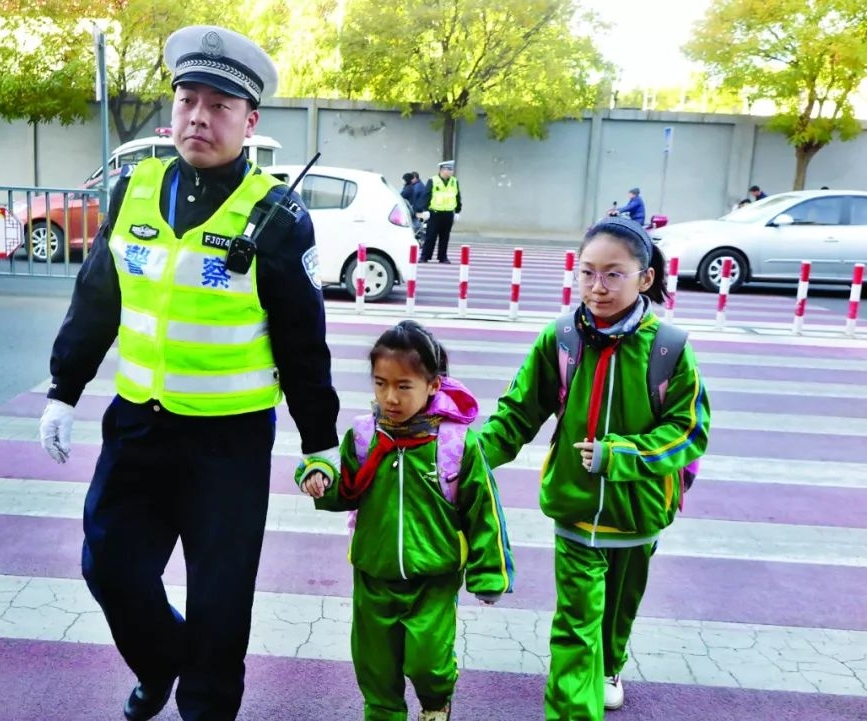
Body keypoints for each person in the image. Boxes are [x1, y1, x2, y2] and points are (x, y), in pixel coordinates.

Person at [37, 24, 341, 721]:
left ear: (249, 119)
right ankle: (160, 658)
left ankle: (204, 706)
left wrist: (318, 440)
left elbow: (304, 342)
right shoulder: (136, 189)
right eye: (187, 100)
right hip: (139, 425)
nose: (198, 117)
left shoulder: (278, 216)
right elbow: (97, 298)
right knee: (108, 566)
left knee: (220, 598)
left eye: (218, 105)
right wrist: (64, 389)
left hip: (228, 444)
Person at [479, 216, 710, 720]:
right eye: (587, 273)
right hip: (576, 509)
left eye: (613, 275)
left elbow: (690, 431)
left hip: (641, 511)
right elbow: (516, 414)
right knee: (576, 625)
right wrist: (464, 457)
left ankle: (611, 665)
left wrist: (621, 456)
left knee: (617, 616)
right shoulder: (561, 338)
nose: (597, 287)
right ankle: (573, 708)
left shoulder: (669, 348)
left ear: (644, 278)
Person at [298, 320, 514, 721]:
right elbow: (344, 488)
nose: (389, 397)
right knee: (375, 672)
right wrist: (318, 478)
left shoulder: (455, 443)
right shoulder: (364, 438)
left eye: (403, 386)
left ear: (433, 385)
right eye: (380, 384)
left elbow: (483, 510)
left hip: (432, 579)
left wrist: (489, 574)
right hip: (373, 575)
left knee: (427, 666)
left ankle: (436, 703)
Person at [420, 160, 461, 263]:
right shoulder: (433, 180)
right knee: (430, 236)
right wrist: (425, 209)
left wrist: (457, 211)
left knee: (445, 237)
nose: (451, 172)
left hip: (448, 213)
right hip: (435, 213)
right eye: (448, 169)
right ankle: (425, 256)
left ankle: (442, 257)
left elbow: (457, 197)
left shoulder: (454, 181)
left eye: (451, 169)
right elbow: (426, 195)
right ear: (442, 170)